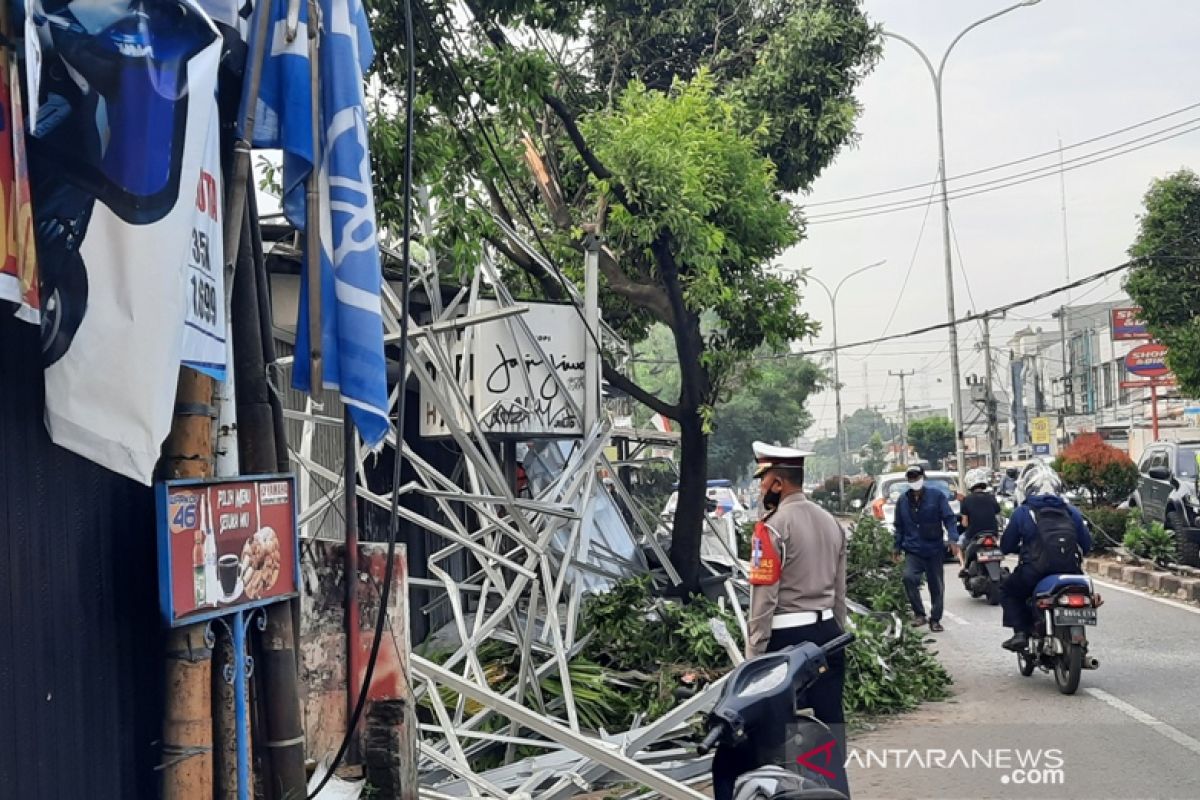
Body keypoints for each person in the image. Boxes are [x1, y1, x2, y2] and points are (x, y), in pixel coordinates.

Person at [713, 441, 850, 799]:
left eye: (764, 480)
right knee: (829, 730)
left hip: (786, 641)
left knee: (775, 737)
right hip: (829, 637)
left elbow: (765, 598)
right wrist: (837, 637)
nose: (760, 488)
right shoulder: (831, 522)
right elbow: (840, 593)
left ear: (778, 483)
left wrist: (753, 658)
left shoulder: (771, 528)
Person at [998, 463, 1093, 651]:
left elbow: (1006, 546)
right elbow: (1087, 545)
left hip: (1034, 572)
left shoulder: (1023, 512)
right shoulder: (1071, 511)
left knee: (1008, 590)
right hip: (1070, 570)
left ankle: (1020, 633)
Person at [892, 464, 958, 632]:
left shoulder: (936, 497)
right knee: (908, 578)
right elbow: (899, 526)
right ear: (908, 480)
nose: (914, 481)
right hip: (913, 549)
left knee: (936, 585)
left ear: (923, 478)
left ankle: (935, 619)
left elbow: (949, 518)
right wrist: (896, 547)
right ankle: (919, 614)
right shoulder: (902, 501)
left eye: (917, 477)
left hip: (934, 548)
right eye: (911, 478)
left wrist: (952, 539)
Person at [957, 468, 1002, 578]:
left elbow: (965, 524)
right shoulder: (991, 498)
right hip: (993, 534)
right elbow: (997, 513)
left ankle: (963, 566)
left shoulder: (966, 500)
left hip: (974, 535)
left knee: (959, 544)